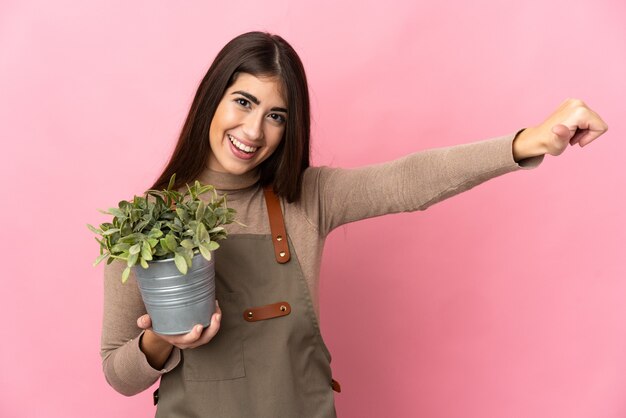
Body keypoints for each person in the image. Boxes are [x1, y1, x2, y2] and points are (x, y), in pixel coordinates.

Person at [100, 31, 608, 417]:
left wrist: (528, 142)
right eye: (244, 102)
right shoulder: (147, 223)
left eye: (277, 115)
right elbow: (117, 374)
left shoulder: (307, 197)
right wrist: (162, 340)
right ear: (212, 97)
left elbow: (410, 180)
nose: (254, 130)